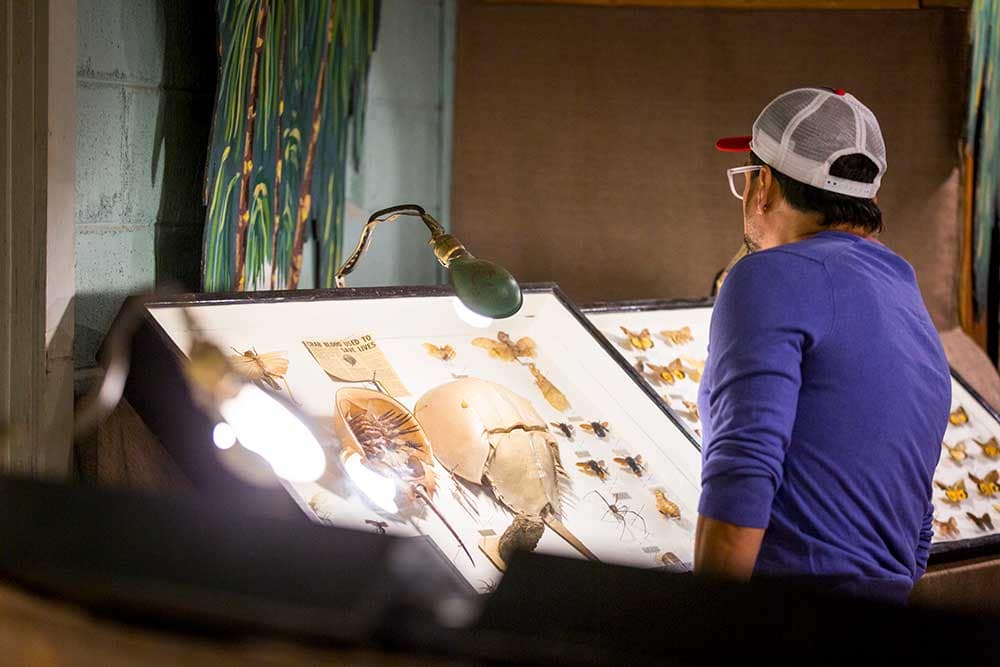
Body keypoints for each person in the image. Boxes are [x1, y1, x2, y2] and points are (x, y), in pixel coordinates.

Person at [693, 87, 951, 604]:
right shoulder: (905, 294)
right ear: (867, 198)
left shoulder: (766, 276)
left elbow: (742, 472)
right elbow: (917, 525)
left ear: (763, 185)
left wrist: (705, 625)